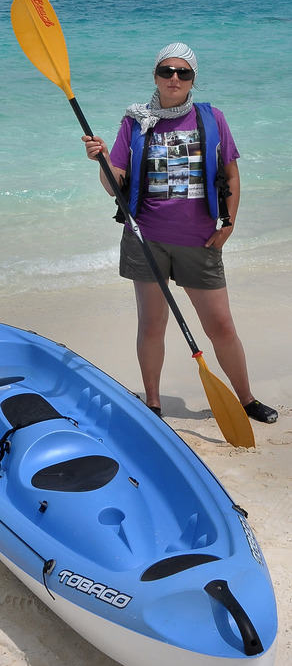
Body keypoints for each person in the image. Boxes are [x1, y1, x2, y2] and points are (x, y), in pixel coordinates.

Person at [83, 42, 277, 424]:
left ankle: (247, 398)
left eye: (183, 72)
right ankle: (153, 403)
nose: (174, 78)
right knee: (152, 324)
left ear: (193, 80)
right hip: (146, 239)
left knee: (220, 325)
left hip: (200, 241)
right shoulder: (134, 122)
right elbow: (114, 185)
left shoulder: (212, 118)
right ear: (155, 75)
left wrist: (229, 225)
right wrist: (101, 159)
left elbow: (232, 175)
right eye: (166, 71)